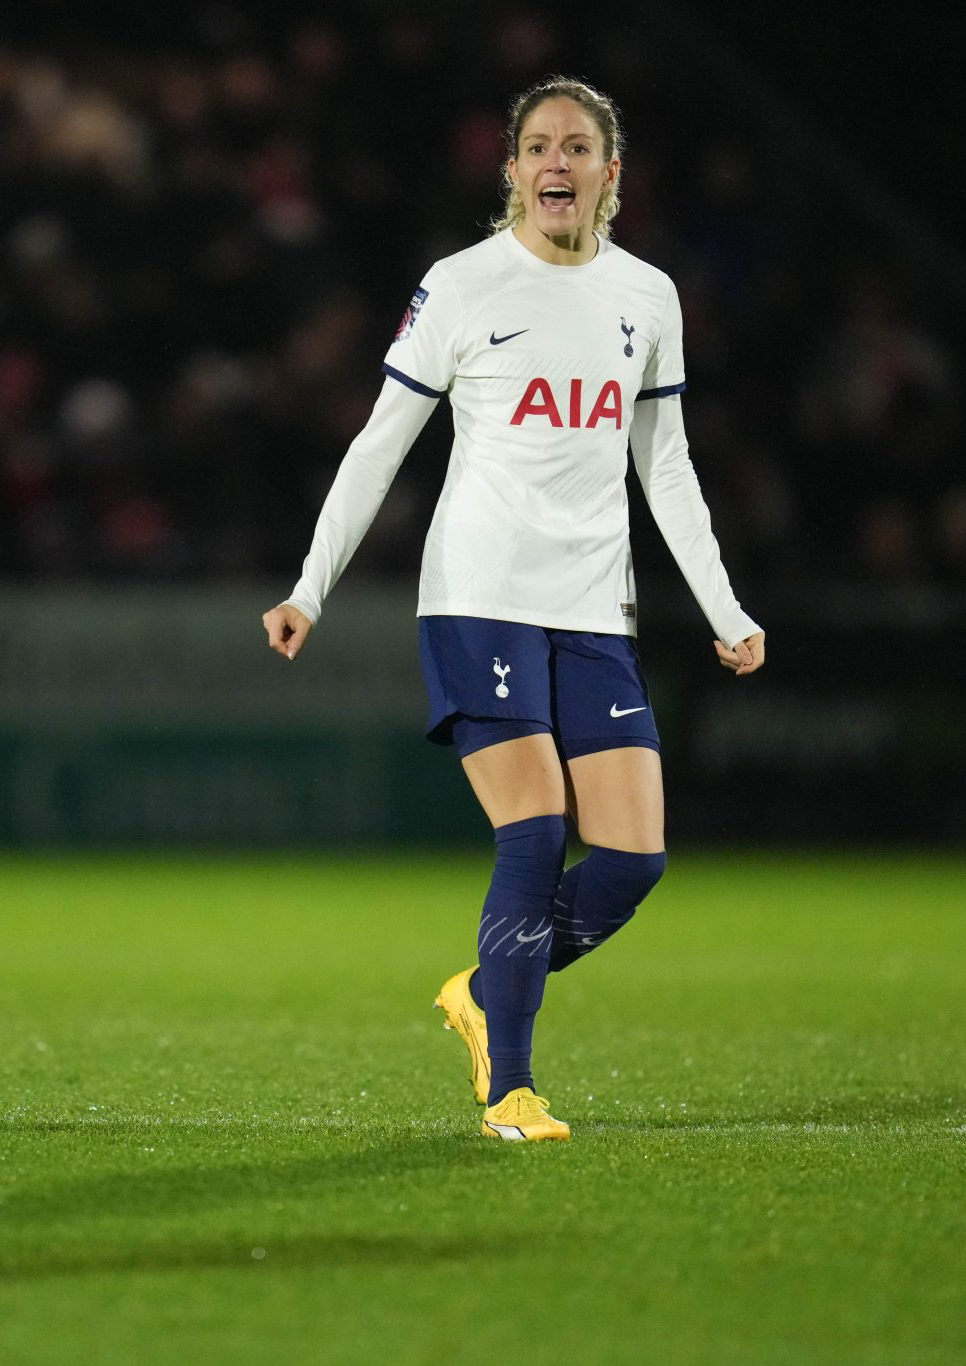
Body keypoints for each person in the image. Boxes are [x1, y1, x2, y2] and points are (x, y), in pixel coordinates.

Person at [261, 77, 763, 1143]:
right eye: (537, 145)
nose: (556, 163)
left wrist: (723, 608)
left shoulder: (647, 297)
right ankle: (510, 1091)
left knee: (631, 859)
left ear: (607, 173)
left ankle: (488, 988)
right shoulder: (461, 287)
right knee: (532, 830)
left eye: (577, 147)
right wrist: (310, 584)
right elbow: (377, 445)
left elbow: (664, 467)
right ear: (511, 172)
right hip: (478, 596)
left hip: (592, 607)